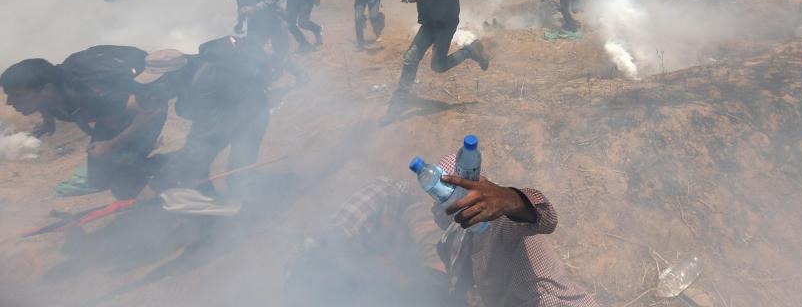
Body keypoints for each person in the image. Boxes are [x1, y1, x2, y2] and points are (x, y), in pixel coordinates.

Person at [285, 154, 599, 307]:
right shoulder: (457, 237)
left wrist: (508, 197)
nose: (441, 207)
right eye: (438, 198)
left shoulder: (502, 218)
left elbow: (544, 215)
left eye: (451, 196)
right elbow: (446, 282)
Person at [0, 46, 166, 199]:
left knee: (124, 189)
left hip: (144, 114)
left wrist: (113, 144)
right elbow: (44, 102)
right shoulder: (51, 96)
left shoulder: (95, 95)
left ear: (47, 90)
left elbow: (152, 111)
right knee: (98, 180)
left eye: (17, 95)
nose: (9, 102)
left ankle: (167, 164)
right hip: (112, 119)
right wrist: (47, 120)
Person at [147, 37, 272, 193]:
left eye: (160, 80)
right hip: (231, 114)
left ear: (172, 73)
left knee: (239, 177)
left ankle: (258, 206)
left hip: (251, 116)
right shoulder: (190, 69)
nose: (159, 85)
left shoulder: (202, 84)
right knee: (198, 164)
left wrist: (173, 173)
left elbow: (204, 135)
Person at [210, 0, 295, 80]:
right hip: (255, 21)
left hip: (274, 18)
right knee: (253, 50)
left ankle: (298, 73)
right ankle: (263, 76)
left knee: (280, 51)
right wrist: (240, 22)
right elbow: (241, 4)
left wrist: (256, 8)